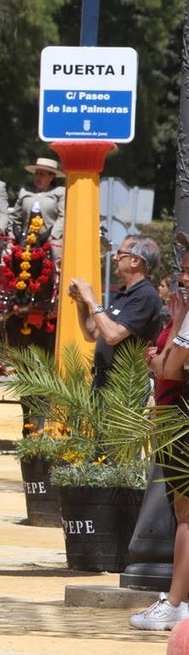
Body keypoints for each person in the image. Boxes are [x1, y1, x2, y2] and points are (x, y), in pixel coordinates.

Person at [134, 256, 189, 630]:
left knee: (186, 517)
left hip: (180, 417)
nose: (182, 277)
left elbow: (168, 368)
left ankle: (175, 601)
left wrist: (162, 358)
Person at [67, 235, 163, 390]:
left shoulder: (146, 296)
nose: (114, 258)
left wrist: (91, 299)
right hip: (103, 381)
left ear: (135, 261)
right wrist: (81, 302)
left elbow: (112, 335)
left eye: (120, 254)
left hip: (124, 387)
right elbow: (92, 333)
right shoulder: (124, 294)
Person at [10, 156, 65, 262]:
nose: (38, 177)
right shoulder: (25, 192)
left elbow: (63, 217)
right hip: (26, 236)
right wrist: (12, 235)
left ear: (51, 177)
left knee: (56, 250)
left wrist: (53, 235)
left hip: (50, 236)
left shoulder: (60, 192)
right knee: (8, 252)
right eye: (37, 173)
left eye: (42, 174)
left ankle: (57, 276)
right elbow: (14, 217)